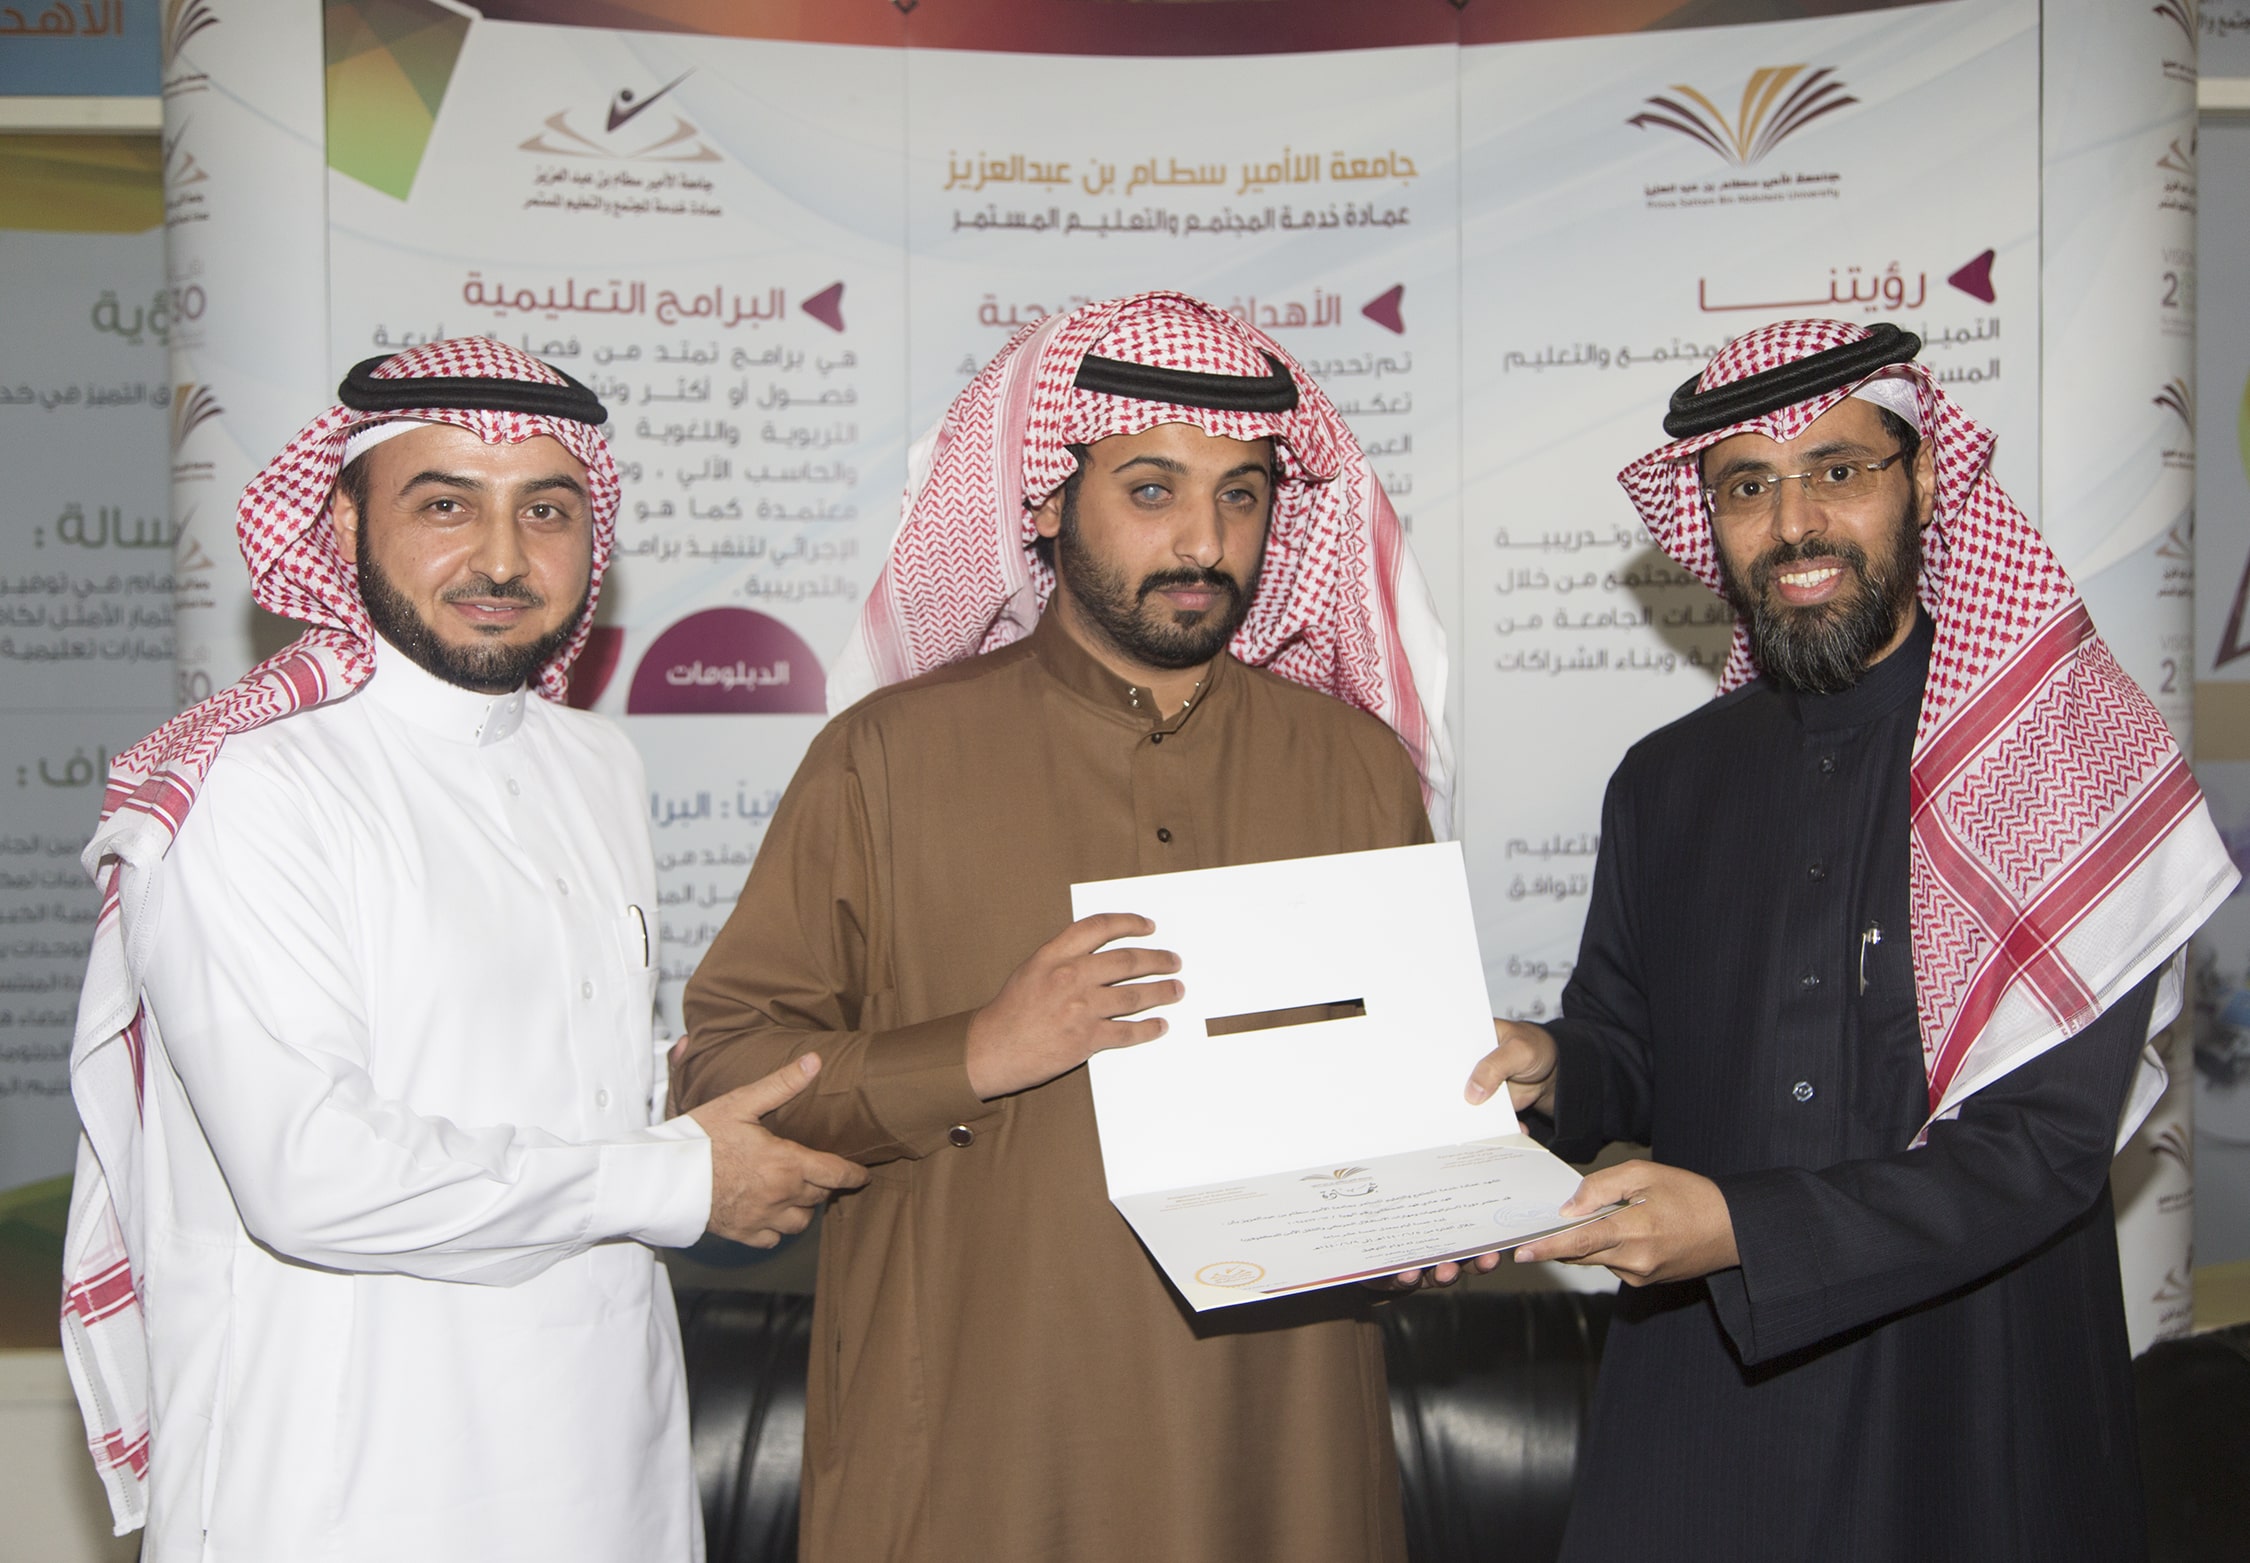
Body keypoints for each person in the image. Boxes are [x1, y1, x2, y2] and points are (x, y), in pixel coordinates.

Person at [670, 291, 1452, 1562]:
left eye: (1243, 496)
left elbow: (1403, 1095)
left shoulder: (1355, 769)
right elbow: (721, 1073)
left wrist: (1435, 1190)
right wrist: (973, 1053)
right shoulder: (885, 759)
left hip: (1279, 1449)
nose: (1205, 542)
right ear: (1042, 500)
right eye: (1151, 491)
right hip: (978, 1453)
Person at [58, 339, 866, 1560]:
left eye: (546, 511)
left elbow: (566, 1085)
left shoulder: (596, 764)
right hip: (349, 1478)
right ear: (342, 523)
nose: (500, 559)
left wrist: (752, 1096)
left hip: (606, 1452)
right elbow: (310, 1174)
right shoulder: (254, 790)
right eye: (445, 506)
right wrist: (679, 1180)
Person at [1464, 318, 2237, 1560]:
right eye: (1747, 487)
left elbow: (2043, 1149)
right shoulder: (1666, 782)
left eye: (1838, 470)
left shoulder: (2059, 752)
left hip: (1975, 1392)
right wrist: (1556, 1068)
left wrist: (1744, 1230)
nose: (1794, 524)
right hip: (1708, 1401)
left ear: (1923, 478)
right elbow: (1632, 1045)